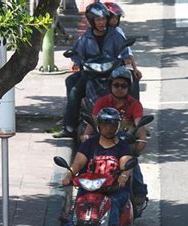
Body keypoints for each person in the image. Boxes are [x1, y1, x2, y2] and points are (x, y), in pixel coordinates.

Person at [43, 107, 133, 226]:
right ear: (99, 125)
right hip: (90, 188)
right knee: (74, 217)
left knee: (113, 205)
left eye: (112, 125)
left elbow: (126, 163)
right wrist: (69, 175)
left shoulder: (122, 146)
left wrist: (123, 176)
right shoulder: (90, 144)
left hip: (112, 190)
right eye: (105, 124)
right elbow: (78, 163)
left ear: (117, 126)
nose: (109, 128)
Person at [54, 2, 133, 139]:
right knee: (73, 90)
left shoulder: (115, 35)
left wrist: (125, 59)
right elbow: (77, 53)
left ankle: (136, 123)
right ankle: (69, 126)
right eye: (98, 20)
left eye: (103, 19)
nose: (101, 22)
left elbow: (125, 51)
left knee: (130, 83)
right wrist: (78, 61)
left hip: (111, 74)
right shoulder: (85, 38)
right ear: (91, 21)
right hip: (90, 75)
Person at [84, 66, 148, 208]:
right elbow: (93, 122)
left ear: (129, 88)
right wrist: (86, 136)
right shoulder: (102, 102)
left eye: (123, 86)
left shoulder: (135, 105)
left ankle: (139, 194)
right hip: (102, 142)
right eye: (116, 85)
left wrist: (141, 141)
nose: (119, 88)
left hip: (123, 144)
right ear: (110, 86)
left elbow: (140, 125)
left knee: (132, 164)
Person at [104, 1, 142, 98]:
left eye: (116, 18)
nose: (114, 21)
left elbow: (127, 53)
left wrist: (135, 69)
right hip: (96, 68)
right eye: (112, 18)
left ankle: (134, 109)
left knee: (132, 79)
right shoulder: (92, 33)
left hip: (114, 67)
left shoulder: (117, 33)